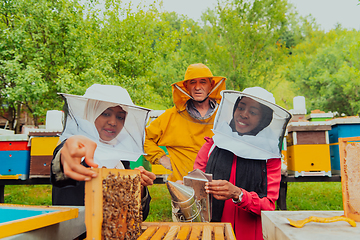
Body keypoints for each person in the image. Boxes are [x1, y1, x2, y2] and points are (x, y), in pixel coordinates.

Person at [194, 87, 291, 240]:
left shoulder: (269, 156)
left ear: (264, 119)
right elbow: (195, 186)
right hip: (212, 231)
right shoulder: (213, 144)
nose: (244, 114)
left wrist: (238, 194)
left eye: (253, 112)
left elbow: (268, 206)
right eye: (240, 107)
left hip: (250, 233)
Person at [50, 84, 156, 222]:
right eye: (106, 113)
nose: (113, 122)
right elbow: (61, 169)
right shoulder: (75, 147)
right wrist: (66, 152)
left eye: (120, 117)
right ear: (90, 112)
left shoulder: (120, 159)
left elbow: (138, 217)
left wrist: (138, 187)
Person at [144, 63, 226, 182]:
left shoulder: (224, 115)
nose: (197, 87)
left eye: (203, 82)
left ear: (211, 85)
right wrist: (162, 158)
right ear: (186, 86)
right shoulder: (171, 116)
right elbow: (144, 138)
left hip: (219, 187)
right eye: (193, 82)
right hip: (182, 187)